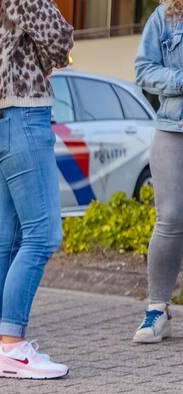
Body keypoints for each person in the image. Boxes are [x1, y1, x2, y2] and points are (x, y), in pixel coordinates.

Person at [0, 0, 74, 379]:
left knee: (4, 239)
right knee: (42, 236)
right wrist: (50, 60)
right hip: (22, 115)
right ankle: (14, 347)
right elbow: (60, 35)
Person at [133, 0, 183, 343]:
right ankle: (157, 310)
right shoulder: (166, 15)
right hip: (173, 128)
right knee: (170, 216)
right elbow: (144, 70)